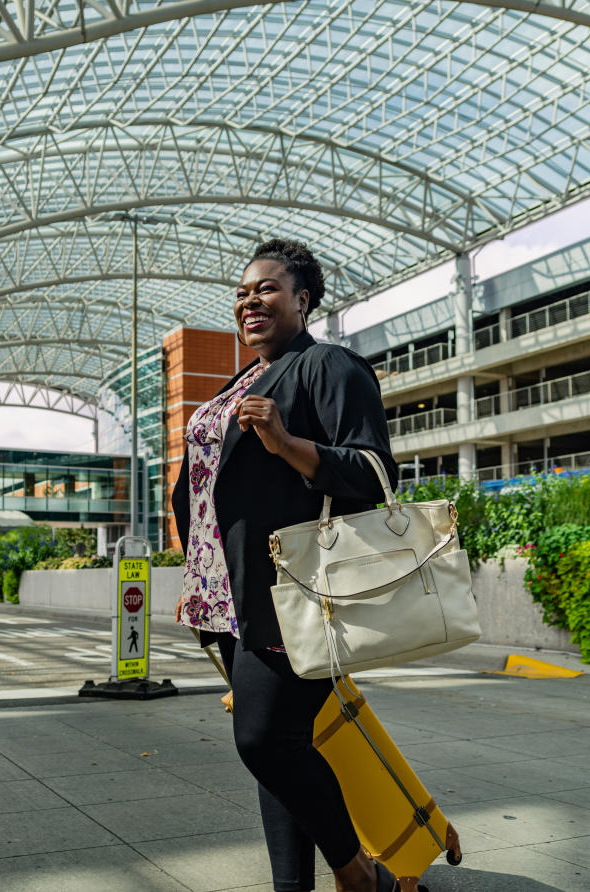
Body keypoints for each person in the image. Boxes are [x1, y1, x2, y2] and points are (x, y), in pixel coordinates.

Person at [172, 239, 460, 892]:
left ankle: (358, 872)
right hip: (232, 598)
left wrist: (288, 443)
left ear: (303, 300)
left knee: (263, 742)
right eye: (243, 291)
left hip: (298, 592)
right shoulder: (240, 382)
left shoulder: (329, 367)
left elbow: (375, 471)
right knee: (282, 751)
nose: (250, 300)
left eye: (267, 288)